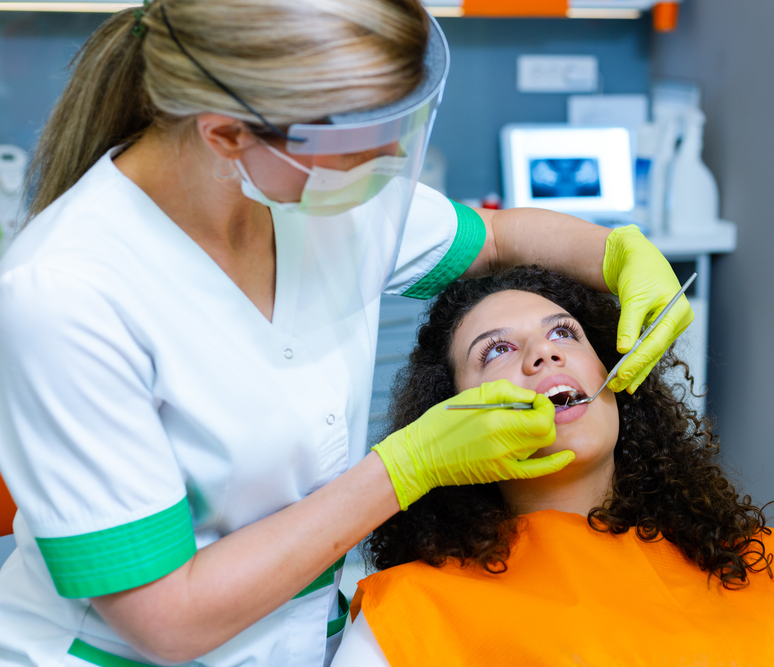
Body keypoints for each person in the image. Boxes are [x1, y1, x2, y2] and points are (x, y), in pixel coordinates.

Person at [0, 2, 695, 666]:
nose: (388, 155)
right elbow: (169, 617)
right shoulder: (65, 294)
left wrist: (619, 254)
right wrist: (408, 466)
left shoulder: (307, 185)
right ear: (225, 134)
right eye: (357, 140)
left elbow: (500, 239)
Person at [334, 266, 774, 666]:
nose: (543, 354)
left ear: (619, 380)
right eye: (495, 351)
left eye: (564, 334)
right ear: (449, 419)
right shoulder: (412, 616)